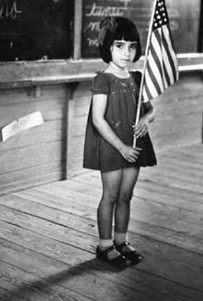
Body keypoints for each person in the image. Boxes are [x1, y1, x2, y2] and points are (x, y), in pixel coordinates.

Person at [83, 16, 157, 266]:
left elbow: (150, 110)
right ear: (107, 47)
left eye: (132, 46)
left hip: (134, 146)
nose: (127, 52)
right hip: (114, 146)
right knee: (111, 195)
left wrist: (146, 120)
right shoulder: (103, 79)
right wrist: (122, 148)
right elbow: (98, 120)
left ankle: (121, 240)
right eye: (119, 45)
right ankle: (104, 246)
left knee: (126, 195)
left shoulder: (137, 77)